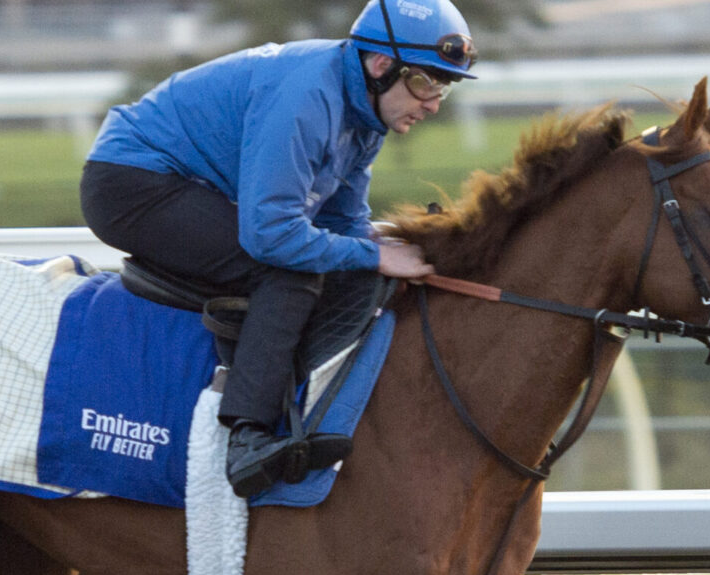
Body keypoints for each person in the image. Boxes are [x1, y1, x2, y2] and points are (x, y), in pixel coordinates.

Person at [80, 0, 478, 497]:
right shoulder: (308, 96)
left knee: (336, 261)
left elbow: (342, 220)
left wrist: (384, 247)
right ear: (381, 66)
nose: (434, 103)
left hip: (186, 183)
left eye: (444, 86)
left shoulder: (364, 114)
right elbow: (271, 236)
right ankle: (247, 438)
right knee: (286, 270)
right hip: (132, 183)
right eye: (425, 83)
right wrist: (374, 255)